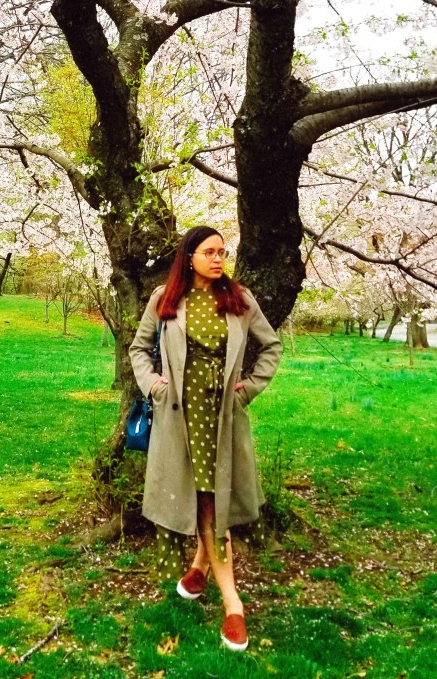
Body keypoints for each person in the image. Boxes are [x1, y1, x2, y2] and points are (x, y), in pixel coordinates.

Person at [129, 225, 282, 652]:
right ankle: (224, 592)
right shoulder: (165, 299)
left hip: (221, 419)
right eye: (209, 252)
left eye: (223, 252)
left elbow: (271, 347)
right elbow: (139, 349)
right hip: (180, 418)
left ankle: (227, 597)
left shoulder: (238, 300)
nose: (218, 259)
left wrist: (249, 388)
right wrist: (154, 387)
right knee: (203, 500)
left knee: (213, 501)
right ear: (190, 256)